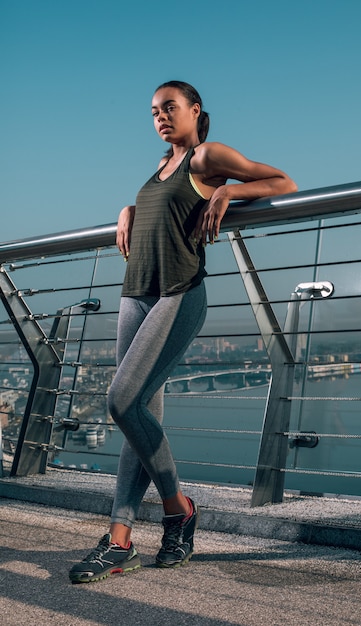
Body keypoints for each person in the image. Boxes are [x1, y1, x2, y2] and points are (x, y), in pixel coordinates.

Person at [69, 80, 297, 583]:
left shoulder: (205, 156)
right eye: (154, 111)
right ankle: (119, 542)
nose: (161, 117)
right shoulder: (158, 169)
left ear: (195, 110)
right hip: (136, 292)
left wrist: (230, 190)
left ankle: (179, 509)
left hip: (178, 292)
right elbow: (160, 213)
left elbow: (284, 182)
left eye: (170, 108)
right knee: (138, 417)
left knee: (121, 402)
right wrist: (128, 209)